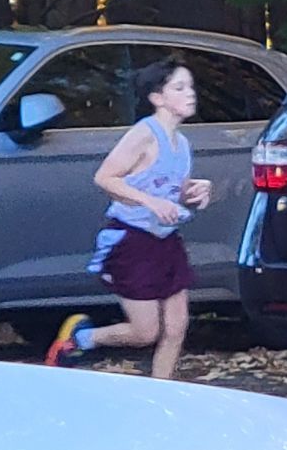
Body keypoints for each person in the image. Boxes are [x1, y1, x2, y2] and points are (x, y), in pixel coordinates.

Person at [45, 59, 214, 380]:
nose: (190, 94)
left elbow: (170, 189)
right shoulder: (144, 134)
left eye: (191, 86)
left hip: (166, 240)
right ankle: (81, 339)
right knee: (145, 332)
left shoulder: (182, 143)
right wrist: (149, 202)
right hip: (132, 240)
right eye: (179, 88)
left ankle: (161, 394)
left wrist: (197, 189)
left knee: (177, 327)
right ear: (157, 98)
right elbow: (105, 178)